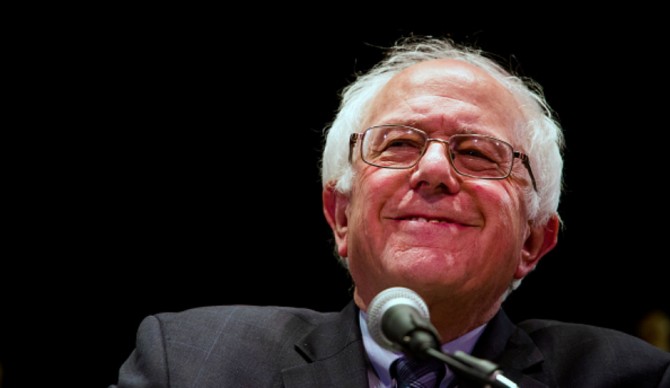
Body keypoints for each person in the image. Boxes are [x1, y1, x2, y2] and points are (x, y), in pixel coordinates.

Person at [109, 35, 670, 387]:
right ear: (341, 216)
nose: (432, 170)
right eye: (398, 143)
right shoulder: (191, 362)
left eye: (476, 153)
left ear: (533, 242)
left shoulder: (629, 376)